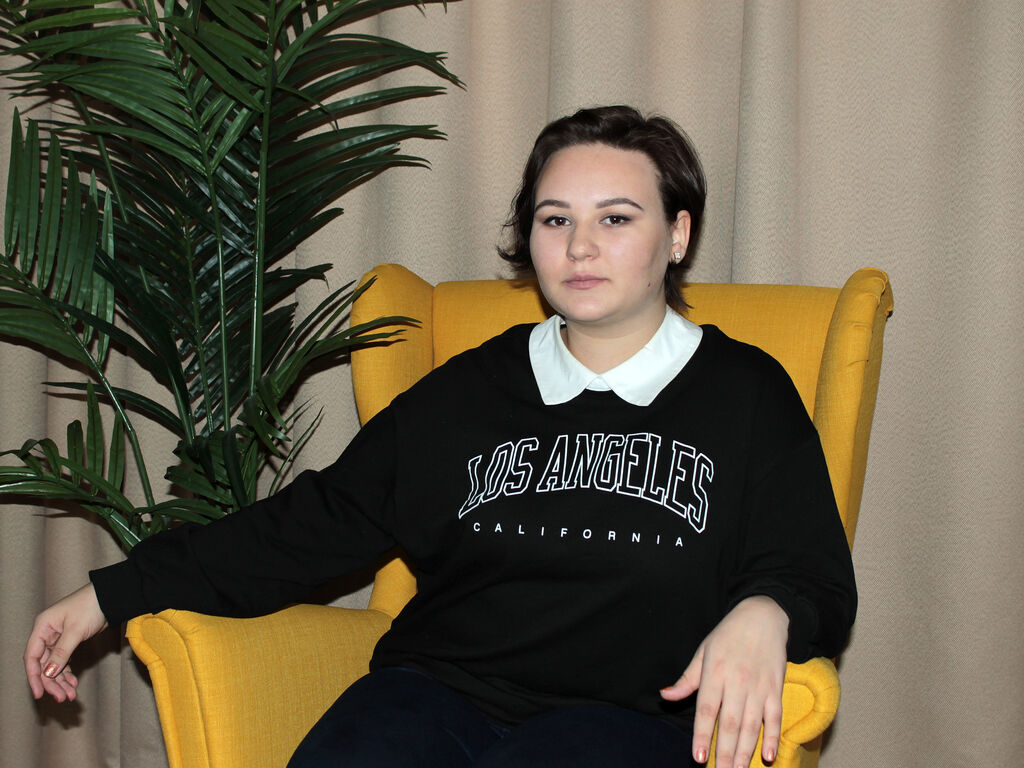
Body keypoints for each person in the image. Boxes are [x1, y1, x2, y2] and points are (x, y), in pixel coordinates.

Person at [25, 105, 856, 768]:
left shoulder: (745, 393)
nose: (580, 246)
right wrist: (112, 594)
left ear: (677, 235)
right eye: (555, 219)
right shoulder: (471, 390)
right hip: (438, 692)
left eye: (615, 218)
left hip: (635, 719)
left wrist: (766, 608)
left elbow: (812, 571)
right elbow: (313, 524)